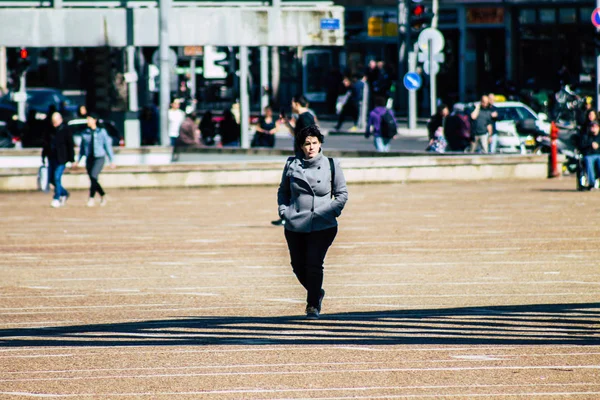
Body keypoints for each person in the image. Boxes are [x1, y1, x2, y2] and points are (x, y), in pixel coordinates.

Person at [277, 124, 348, 319]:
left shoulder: (331, 165)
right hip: (295, 223)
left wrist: (329, 212)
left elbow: (342, 194)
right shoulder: (291, 165)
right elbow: (283, 191)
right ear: (300, 146)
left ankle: (312, 304)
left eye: (314, 143)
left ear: (320, 144)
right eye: (307, 144)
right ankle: (317, 291)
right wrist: (284, 211)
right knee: (297, 265)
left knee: (314, 263)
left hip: (322, 224)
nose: (311, 147)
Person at [273, 94, 317, 226]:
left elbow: (310, 138)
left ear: (297, 104)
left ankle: (291, 216)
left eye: (292, 103)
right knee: (293, 189)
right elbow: (299, 135)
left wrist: (307, 157)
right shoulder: (304, 117)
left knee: (293, 188)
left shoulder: (305, 118)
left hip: (303, 159)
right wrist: (287, 124)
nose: (291, 105)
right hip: (301, 158)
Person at [74, 113, 115, 207]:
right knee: (93, 179)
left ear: (94, 120)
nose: (87, 121)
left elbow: (107, 146)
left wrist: (111, 160)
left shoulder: (102, 132)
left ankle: (91, 198)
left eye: (89, 119)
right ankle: (103, 195)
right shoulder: (85, 133)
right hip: (89, 158)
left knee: (93, 176)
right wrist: (78, 160)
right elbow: (82, 149)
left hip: (99, 157)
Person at [41, 112, 74, 208]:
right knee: (51, 179)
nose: (54, 123)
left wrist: (72, 160)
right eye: (53, 121)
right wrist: (43, 156)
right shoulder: (49, 130)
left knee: (57, 177)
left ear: (60, 120)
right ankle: (64, 193)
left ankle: (56, 198)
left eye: (55, 121)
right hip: (51, 157)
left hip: (61, 159)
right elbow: (45, 144)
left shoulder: (65, 130)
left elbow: (70, 145)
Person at [578, 120, 600, 190]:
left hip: (598, 155)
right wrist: (590, 145)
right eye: (592, 127)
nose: (593, 128)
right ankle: (592, 183)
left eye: (595, 127)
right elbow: (581, 146)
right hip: (589, 155)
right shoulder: (586, 136)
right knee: (588, 161)